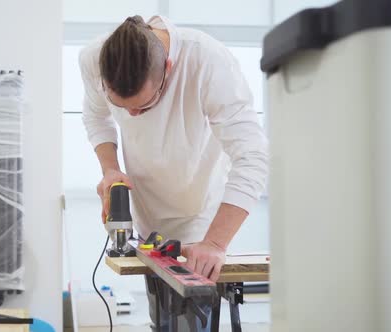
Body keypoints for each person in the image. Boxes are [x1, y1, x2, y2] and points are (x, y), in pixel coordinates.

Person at [79, 15, 268, 331]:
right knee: (162, 320)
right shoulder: (92, 60)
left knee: (193, 322)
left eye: (143, 105)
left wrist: (216, 244)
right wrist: (110, 169)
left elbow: (253, 157)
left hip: (200, 218)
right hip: (147, 219)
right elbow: (96, 117)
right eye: (122, 106)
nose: (132, 116)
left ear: (168, 68)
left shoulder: (207, 61)